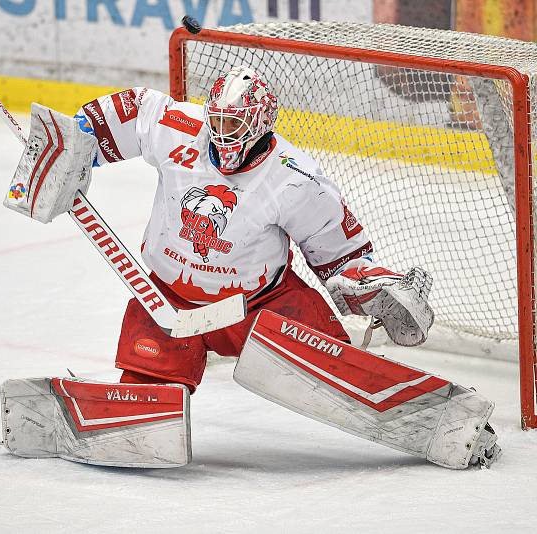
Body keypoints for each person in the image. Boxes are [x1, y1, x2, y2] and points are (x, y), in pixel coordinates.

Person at [71, 65, 431, 393]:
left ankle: (369, 385)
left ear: (259, 124)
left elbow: (340, 257)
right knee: (146, 390)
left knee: (334, 365)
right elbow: (134, 111)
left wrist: (368, 284)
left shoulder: (294, 178)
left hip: (260, 306)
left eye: (234, 125)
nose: (222, 133)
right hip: (168, 305)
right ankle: (139, 400)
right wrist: (71, 145)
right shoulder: (178, 129)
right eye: (218, 121)